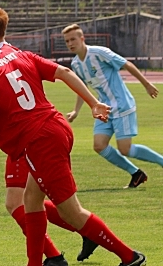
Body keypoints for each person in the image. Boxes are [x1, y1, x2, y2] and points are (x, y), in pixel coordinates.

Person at [0, 16, 145, 266]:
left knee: (72, 211)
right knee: (31, 200)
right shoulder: (16, 53)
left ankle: (129, 256)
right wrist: (93, 103)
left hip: (40, 141)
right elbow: (65, 73)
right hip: (56, 126)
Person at [0, 7, 98, 266]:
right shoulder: (9, 54)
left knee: (18, 202)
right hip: (34, 134)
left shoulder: (4, 57)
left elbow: (14, 105)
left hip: (31, 138)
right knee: (30, 199)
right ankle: (62, 246)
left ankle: (55, 253)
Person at [63, 24, 163, 189]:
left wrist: (146, 84)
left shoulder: (99, 53)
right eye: (67, 41)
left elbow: (126, 64)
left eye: (73, 39)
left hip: (122, 105)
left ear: (82, 39)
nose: (70, 43)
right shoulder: (76, 64)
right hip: (104, 109)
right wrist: (76, 110)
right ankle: (136, 173)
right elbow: (83, 88)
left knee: (126, 149)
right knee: (99, 145)